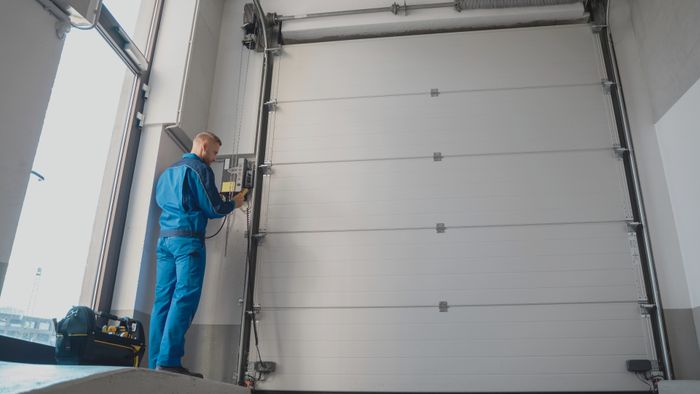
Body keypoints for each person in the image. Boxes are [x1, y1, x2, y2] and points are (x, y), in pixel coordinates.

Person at [149, 131, 246, 377]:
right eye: (214, 152)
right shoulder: (198, 169)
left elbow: (163, 202)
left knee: (162, 301)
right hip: (187, 244)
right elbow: (214, 208)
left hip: (165, 240)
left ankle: (155, 365)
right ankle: (169, 361)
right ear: (203, 146)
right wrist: (236, 202)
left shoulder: (168, 172)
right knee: (184, 298)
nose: (214, 158)